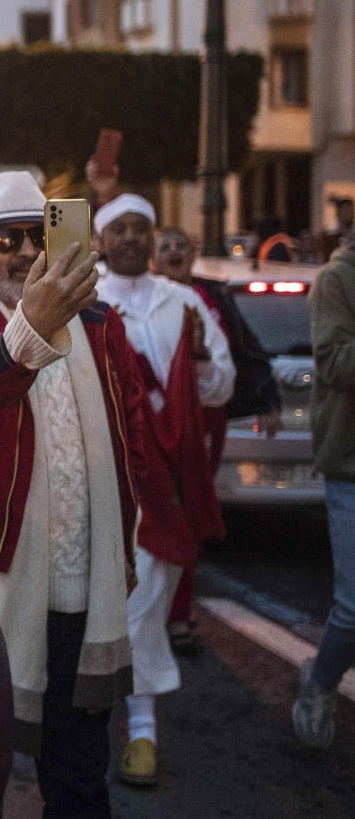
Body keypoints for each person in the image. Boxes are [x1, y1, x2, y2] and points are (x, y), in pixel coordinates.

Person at [0, 171, 146, 819]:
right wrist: (30, 327)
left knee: (78, 769)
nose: (19, 251)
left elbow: (132, 431)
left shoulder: (102, 326)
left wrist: (131, 533)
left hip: (82, 582)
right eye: (2, 238)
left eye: (32, 235)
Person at [94, 195, 234, 788]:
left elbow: (221, 388)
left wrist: (200, 358)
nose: (130, 237)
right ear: (99, 240)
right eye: (117, 228)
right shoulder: (82, 299)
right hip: (98, 470)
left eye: (140, 228)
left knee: (145, 600)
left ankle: (144, 730)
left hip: (164, 478)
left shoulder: (185, 303)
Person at [153, 226, 282, 652]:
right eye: (165, 246)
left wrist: (267, 397)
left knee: (190, 512)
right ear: (155, 258)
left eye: (180, 245)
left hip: (206, 421)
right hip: (155, 424)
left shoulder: (214, 298)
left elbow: (246, 349)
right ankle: (150, 609)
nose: (173, 252)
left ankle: (179, 612)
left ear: (193, 252)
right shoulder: (143, 298)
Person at [296, 224, 355, 749]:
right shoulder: (337, 279)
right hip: (352, 465)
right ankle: (319, 681)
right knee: (354, 605)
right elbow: (336, 363)